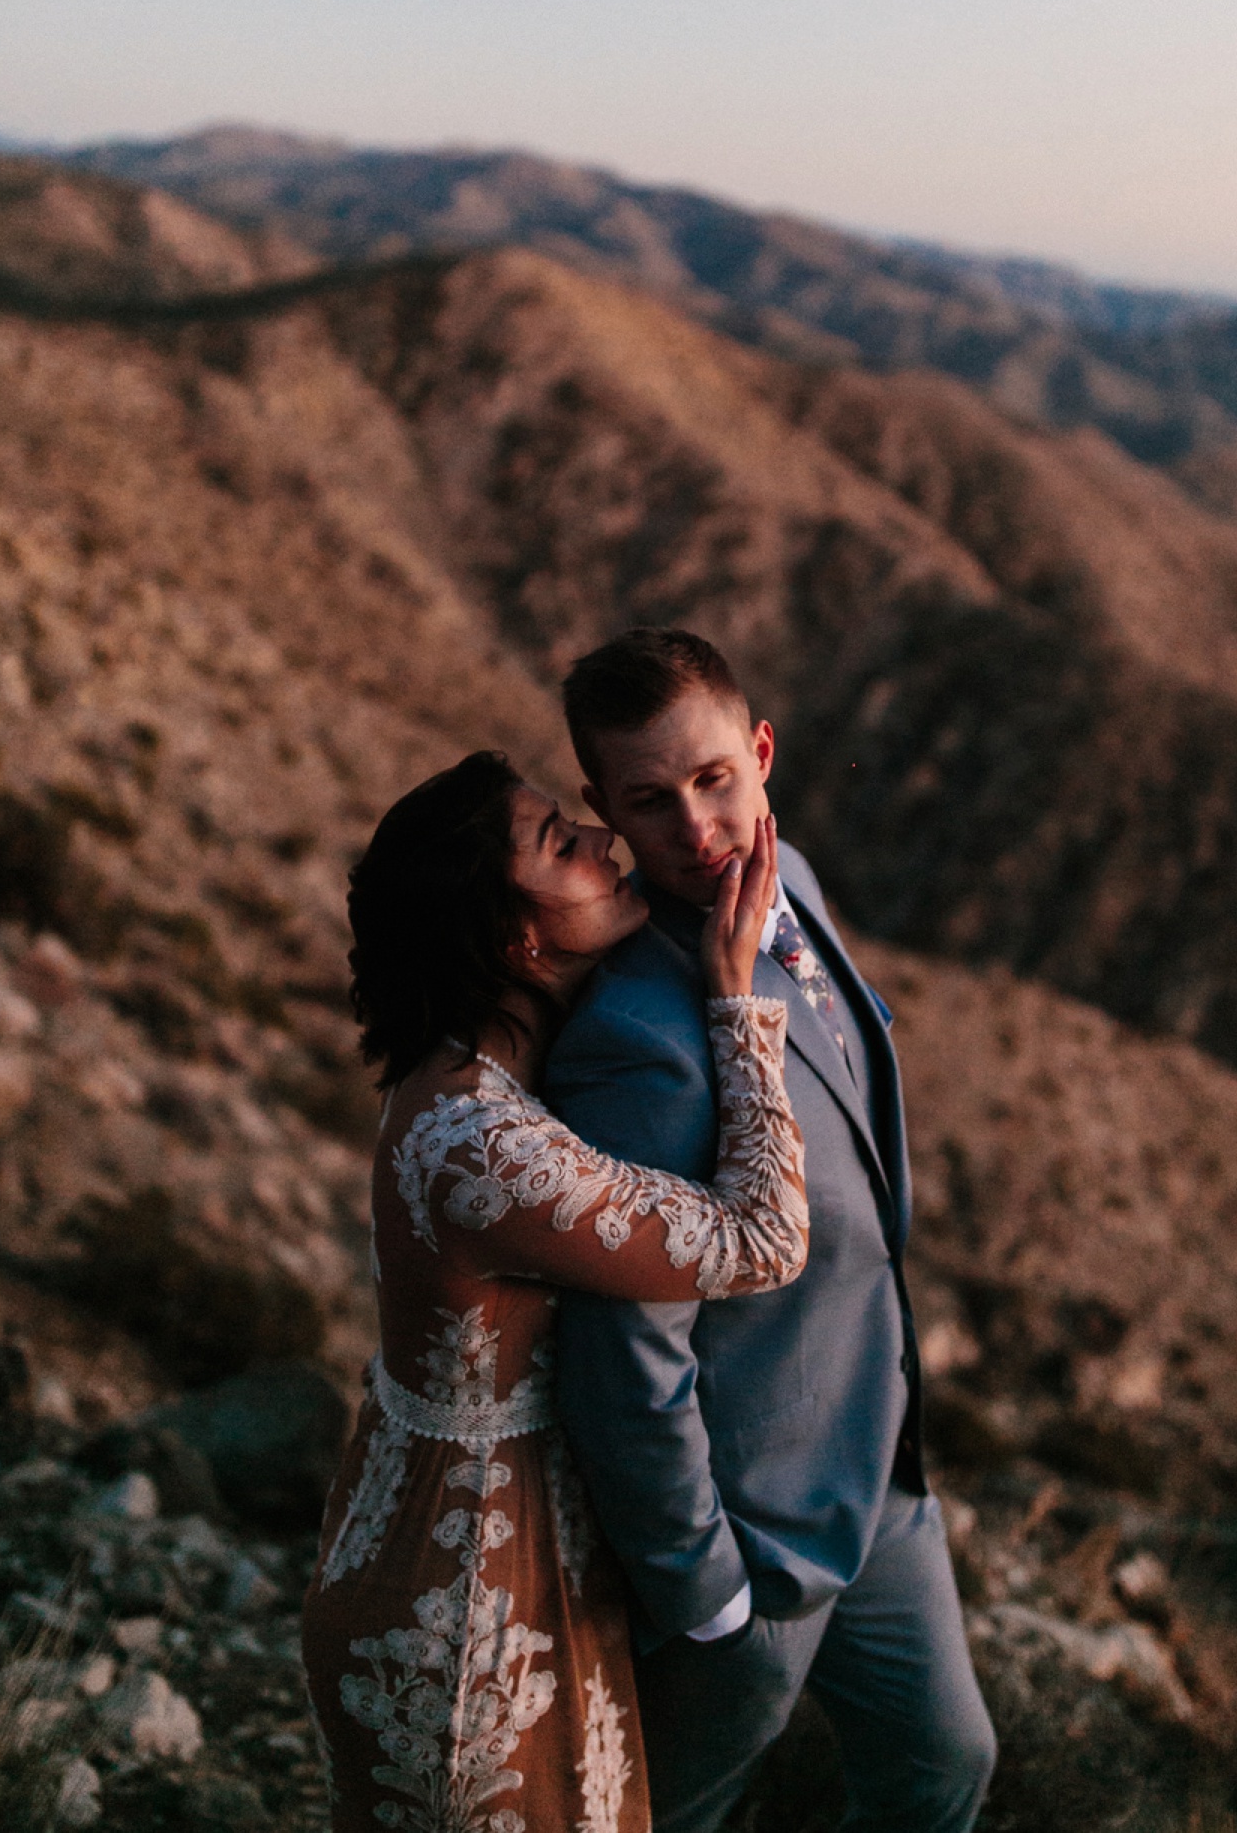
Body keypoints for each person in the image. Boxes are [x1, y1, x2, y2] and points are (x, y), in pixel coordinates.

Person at [301, 749, 808, 1833]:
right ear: (515, 941)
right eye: (558, 844)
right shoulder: (485, 1145)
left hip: (471, 1556)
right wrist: (736, 1004)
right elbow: (764, 1238)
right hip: (467, 1614)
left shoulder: (465, 1075)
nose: (602, 842)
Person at [541, 628, 997, 1833]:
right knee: (676, 1814)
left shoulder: (786, 880)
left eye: (713, 780)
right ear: (605, 809)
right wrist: (706, 1596)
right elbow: (626, 1351)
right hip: (755, 1538)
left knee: (945, 1767)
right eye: (648, 801)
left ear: (761, 753)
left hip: (882, 1469)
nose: (695, 828)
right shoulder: (637, 1040)